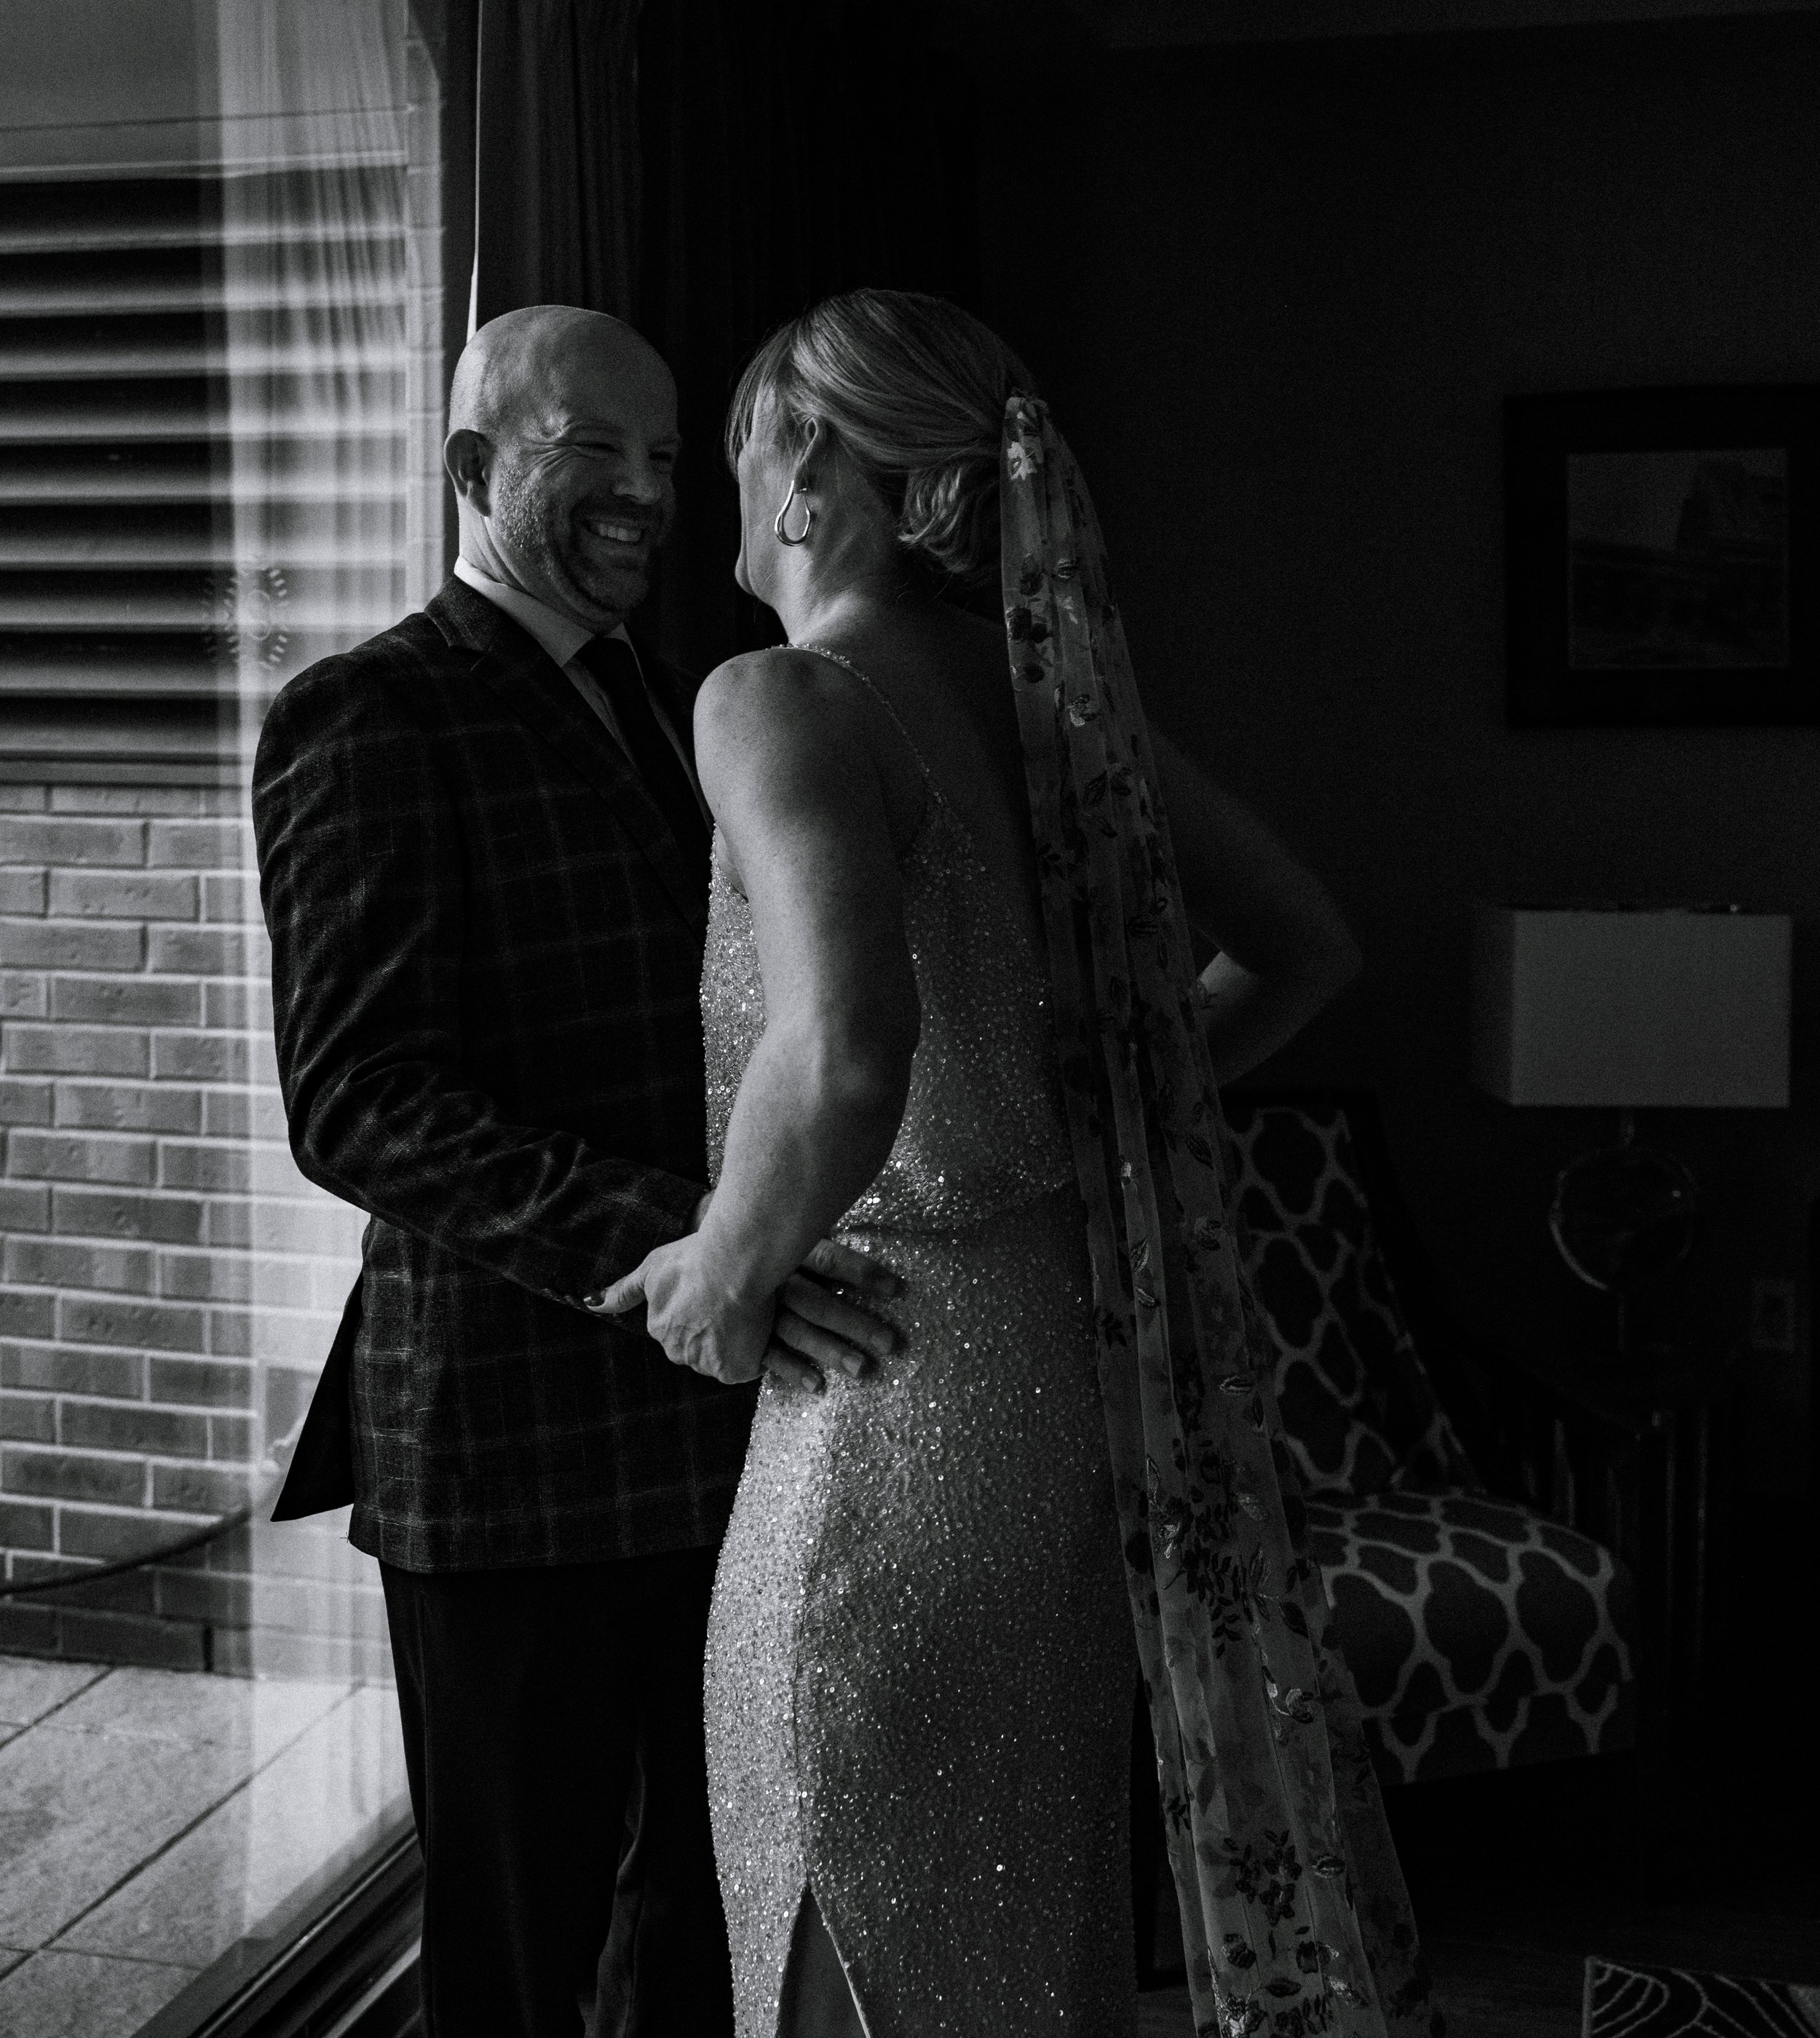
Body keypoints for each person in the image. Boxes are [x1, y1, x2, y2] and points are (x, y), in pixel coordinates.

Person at [605, 290, 1440, 2038]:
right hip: (1059, 1387)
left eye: (745, 446)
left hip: (888, 1412)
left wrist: (723, 1268)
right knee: (1022, 1923)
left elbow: (844, 1046)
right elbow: (1298, 942)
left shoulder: (777, 696)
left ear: (816, 465)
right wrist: (1098, 1117)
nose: (726, 491)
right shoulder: (1042, 693)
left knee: (854, 1913)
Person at [253, 304, 901, 2038]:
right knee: (518, 1953)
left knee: (705, 1908)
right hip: (509, 1441)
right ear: (472, 468)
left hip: (714, 1415)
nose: (641, 490)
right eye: (586, 448)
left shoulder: (675, 689)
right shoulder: (365, 713)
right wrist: (699, 1242)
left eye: (665, 454)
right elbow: (361, 1100)